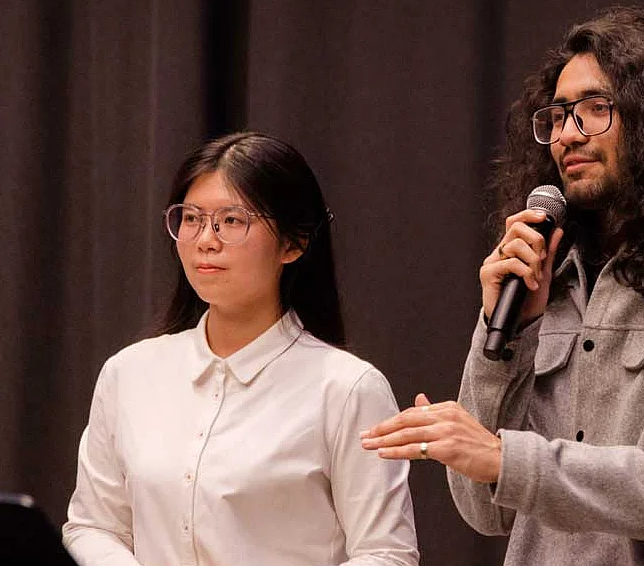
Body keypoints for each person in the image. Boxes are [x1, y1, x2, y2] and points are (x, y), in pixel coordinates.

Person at [360, 6, 644, 565]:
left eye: (596, 109)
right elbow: (485, 512)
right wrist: (506, 336)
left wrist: (506, 459)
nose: (567, 135)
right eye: (557, 116)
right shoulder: (547, 276)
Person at [64, 132, 419, 566]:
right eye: (191, 218)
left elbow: (386, 554)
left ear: (293, 243)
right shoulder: (130, 373)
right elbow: (92, 526)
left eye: (231, 221)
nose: (205, 240)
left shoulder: (347, 388)